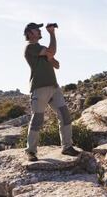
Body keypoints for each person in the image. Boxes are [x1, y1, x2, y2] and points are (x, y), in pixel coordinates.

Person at [23, 22, 80, 161]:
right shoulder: (30, 47)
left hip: (54, 87)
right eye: (37, 29)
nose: (39, 31)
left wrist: (49, 55)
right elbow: (52, 53)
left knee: (65, 115)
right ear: (30, 33)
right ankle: (31, 151)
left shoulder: (42, 49)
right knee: (37, 119)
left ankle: (67, 147)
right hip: (39, 88)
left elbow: (56, 64)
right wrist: (52, 34)